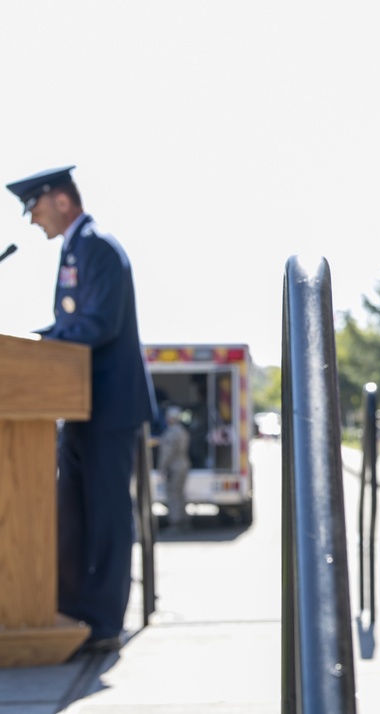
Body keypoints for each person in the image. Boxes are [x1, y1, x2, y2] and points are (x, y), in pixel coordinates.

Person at [5, 166, 156, 654]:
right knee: (73, 514)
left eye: (35, 207)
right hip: (78, 405)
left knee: (106, 517)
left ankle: (104, 622)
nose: (33, 219)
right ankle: (71, 610)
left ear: (61, 200)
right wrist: (42, 339)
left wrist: (43, 342)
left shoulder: (97, 247)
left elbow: (98, 324)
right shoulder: (76, 249)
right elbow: (73, 324)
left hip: (108, 406)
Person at [158, 406, 191, 529]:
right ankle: (184, 520)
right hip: (183, 465)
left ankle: (176, 522)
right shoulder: (182, 431)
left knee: (173, 495)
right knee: (180, 494)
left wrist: (161, 467)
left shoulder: (172, 432)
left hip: (174, 467)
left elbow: (168, 453)